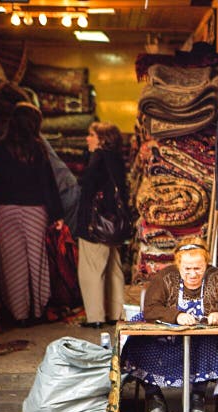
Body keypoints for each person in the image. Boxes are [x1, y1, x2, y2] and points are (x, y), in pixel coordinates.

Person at [121, 237, 218, 412]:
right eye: (187, 269)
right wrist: (176, 316)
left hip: (200, 341)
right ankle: (154, 396)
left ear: (206, 264)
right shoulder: (165, 278)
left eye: (198, 268)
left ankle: (198, 396)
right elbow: (150, 309)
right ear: (178, 265)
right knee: (138, 343)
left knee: (207, 341)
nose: (193, 274)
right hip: (163, 341)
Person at [0, 102, 64, 327]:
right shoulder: (37, 148)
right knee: (37, 261)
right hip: (35, 210)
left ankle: (19, 314)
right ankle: (38, 310)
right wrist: (56, 213)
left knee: (13, 263)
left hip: (7, 209)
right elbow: (48, 183)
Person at [73, 121, 130, 328]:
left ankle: (95, 317)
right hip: (113, 225)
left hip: (96, 226)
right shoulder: (117, 159)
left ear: (102, 139)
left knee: (91, 270)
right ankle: (116, 312)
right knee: (114, 268)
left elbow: (87, 192)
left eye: (91, 135)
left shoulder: (97, 159)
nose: (87, 139)